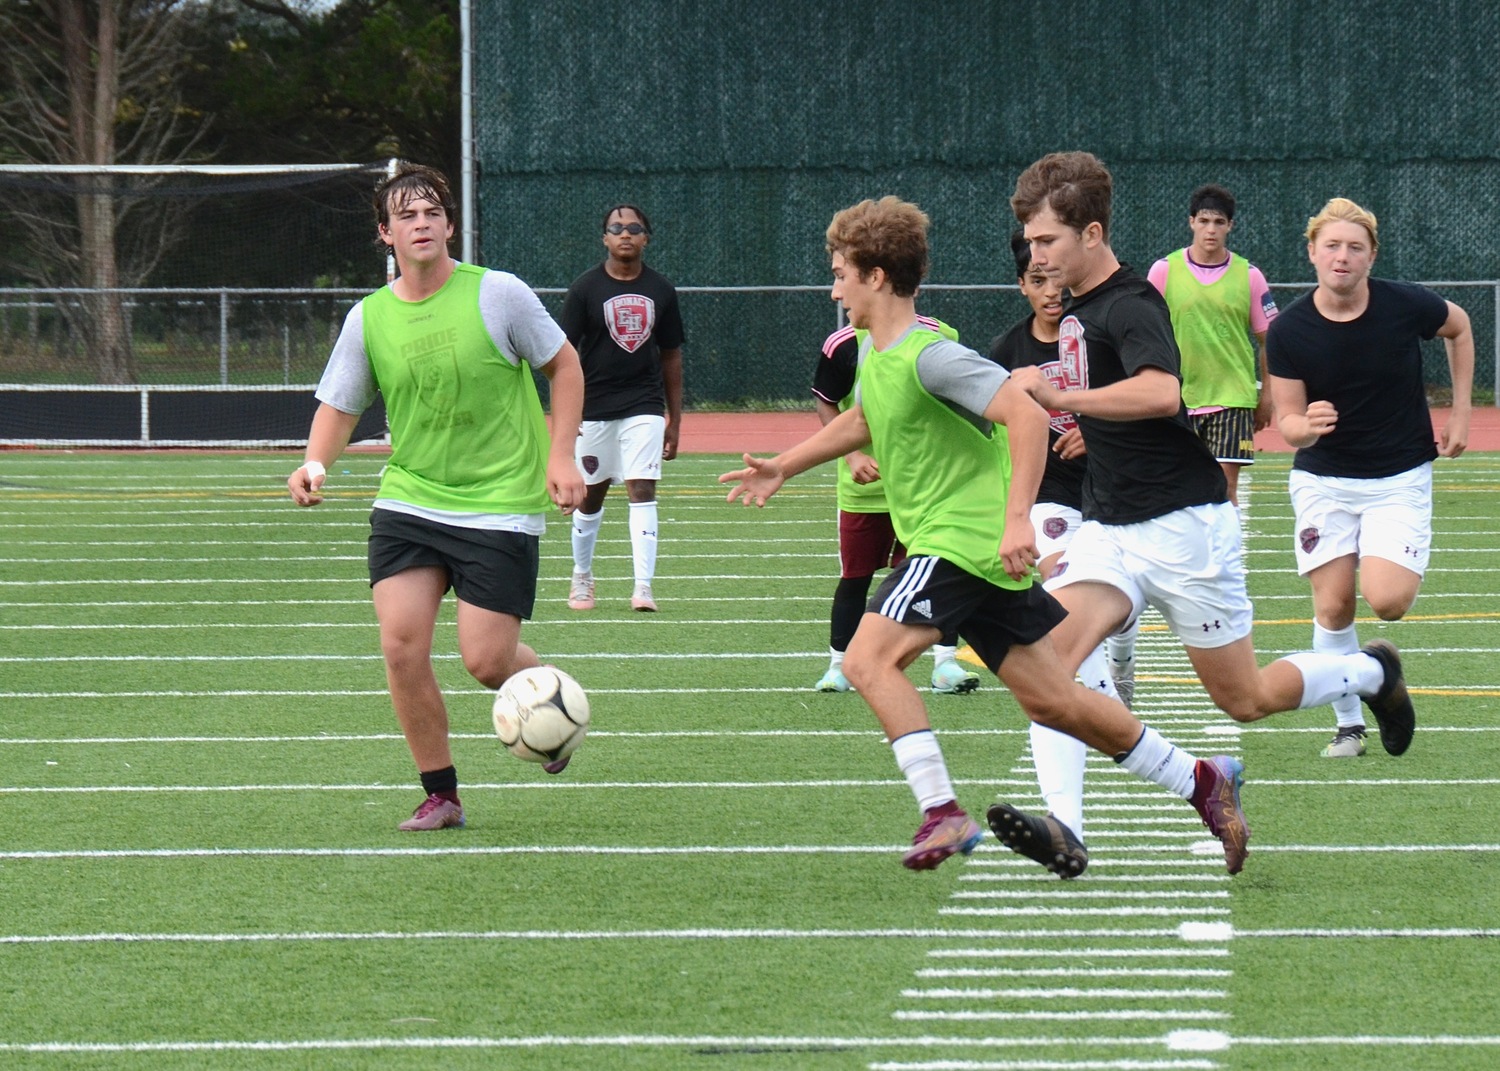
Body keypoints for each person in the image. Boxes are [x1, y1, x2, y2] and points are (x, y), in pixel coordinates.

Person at [721, 195, 1254, 878]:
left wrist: (1013, 519)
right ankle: (1201, 781)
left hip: (959, 543)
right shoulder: (880, 356)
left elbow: (1024, 416)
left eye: (841, 272)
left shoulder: (931, 354)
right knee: (1053, 699)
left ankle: (940, 808)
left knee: (864, 660)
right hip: (969, 548)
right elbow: (862, 421)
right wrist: (784, 466)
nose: (834, 287)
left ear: (877, 276)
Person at [999, 152, 1417, 867]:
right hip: (1110, 527)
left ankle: (1371, 673)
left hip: (1184, 525)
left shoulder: (1128, 302)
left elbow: (1163, 392)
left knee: (1245, 698)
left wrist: (1062, 398)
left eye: (1048, 241)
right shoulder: (1077, 307)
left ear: (1092, 234)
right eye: (1032, 243)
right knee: (1046, 670)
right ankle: (1067, 827)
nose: (1037, 257)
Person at [286, 163, 586, 831]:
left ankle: (553, 698)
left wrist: (561, 453)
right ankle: (441, 793)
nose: (421, 223)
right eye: (406, 214)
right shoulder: (369, 318)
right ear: (385, 233)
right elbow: (340, 404)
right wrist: (314, 462)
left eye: (432, 212)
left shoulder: (499, 295)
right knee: (401, 645)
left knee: (485, 661)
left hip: (500, 498)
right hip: (411, 498)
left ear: (450, 225)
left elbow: (564, 364)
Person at [1267, 197, 1473, 758]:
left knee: (1388, 602)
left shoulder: (1405, 305)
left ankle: (1377, 669)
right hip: (1324, 480)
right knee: (1332, 608)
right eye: (1331, 245)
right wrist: (1304, 426)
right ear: (1311, 252)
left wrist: (1458, 413)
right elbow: (1286, 421)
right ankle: (1350, 724)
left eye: (1354, 247)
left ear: (1371, 256)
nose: (1342, 256)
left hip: (1399, 476)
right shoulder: (1289, 330)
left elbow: (1460, 327)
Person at [812, 315, 980, 695]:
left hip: (923, 488)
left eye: (843, 277)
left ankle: (945, 664)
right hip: (863, 493)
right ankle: (839, 665)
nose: (837, 294)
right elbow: (826, 402)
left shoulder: (938, 334)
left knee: (938, 574)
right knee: (855, 579)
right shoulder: (842, 343)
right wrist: (853, 456)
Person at [561, 204, 685, 613]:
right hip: (594, 406)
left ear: (646, 237)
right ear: (605, 238)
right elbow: (562, 354)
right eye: (617, 228)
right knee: (590, 496)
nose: (625, 234)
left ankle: (643, 586)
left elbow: (671, 355)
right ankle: (582, 576)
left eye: (634, 228)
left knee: (642, 487)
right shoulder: (584, 289)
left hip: (644, 405)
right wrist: (568, 415)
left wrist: (674, 420)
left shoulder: (662, 290)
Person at [1148, 184, 1279, 508]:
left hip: (1231, 398)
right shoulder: (1164, 271)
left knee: (1222, 492)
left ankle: (1225, 560)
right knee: (1177, 490)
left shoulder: (1249, 276)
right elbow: (1144, 333)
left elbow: (1270, 340)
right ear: (1191, 221)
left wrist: (1267, 397)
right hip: (1176, 399)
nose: (1211, 229)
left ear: (1230, 226)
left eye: (1219, 222)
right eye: (1204, 221)